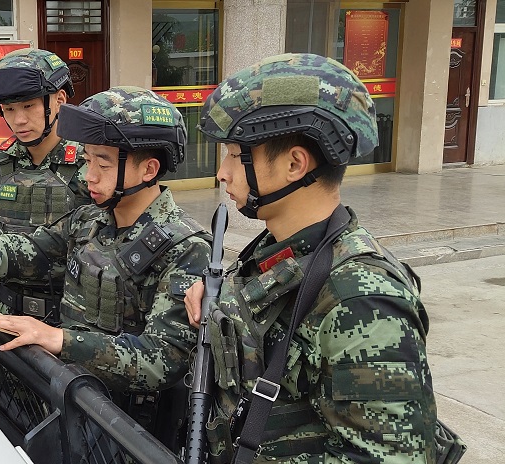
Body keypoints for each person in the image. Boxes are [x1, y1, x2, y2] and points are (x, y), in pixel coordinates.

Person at [183, 53, 438, 462]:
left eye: (234, 154)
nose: (222, 173)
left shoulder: (361, 302)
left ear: (294, 164)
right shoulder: (281, 247)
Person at [0, 86, 211, 397]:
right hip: (69, 398)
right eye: (88, 160)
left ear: (149, 169)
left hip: (125, 427)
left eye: (104, 164)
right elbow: (30, 252)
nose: (89, 175)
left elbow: (164, 358)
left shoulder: (187, 247)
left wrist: (59, 340)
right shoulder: (89, 220)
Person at [0, 48, 91, 325]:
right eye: (9, 110)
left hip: (69, 323)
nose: (19, 120)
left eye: (29, 106)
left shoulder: (91, 163)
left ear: (59, 100)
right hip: (5, 317)